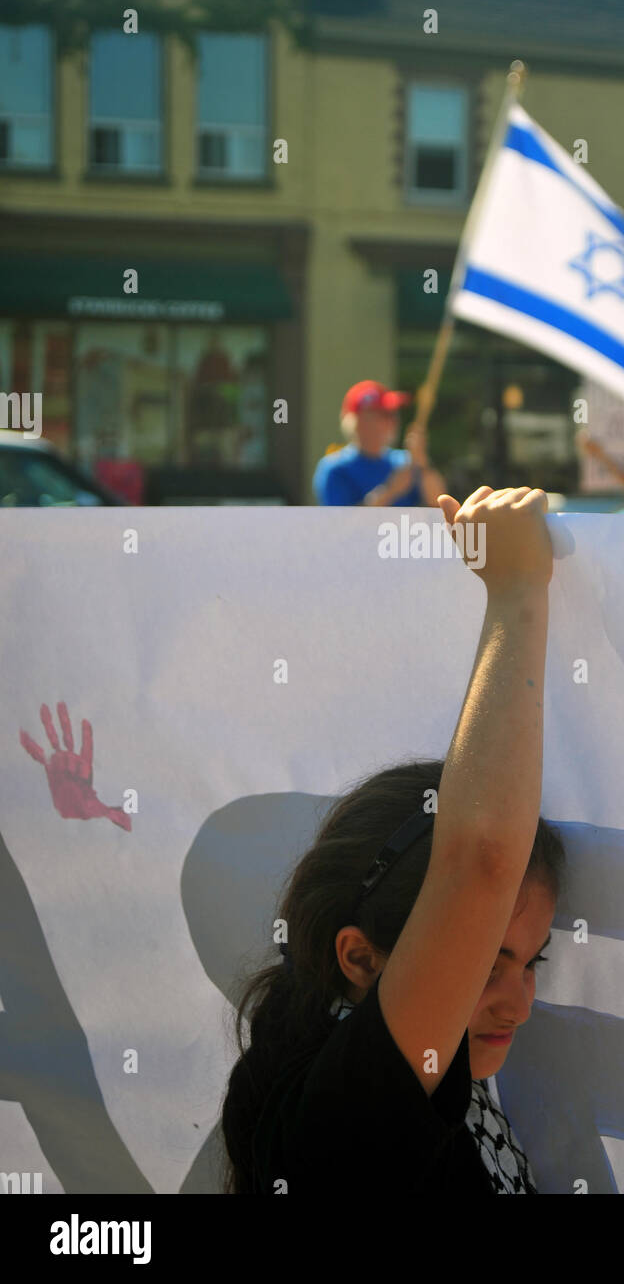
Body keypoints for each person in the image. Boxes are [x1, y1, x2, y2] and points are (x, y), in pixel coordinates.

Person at [220, 486, 563, 1195]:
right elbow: (480, 862)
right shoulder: (347, 1113)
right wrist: (516, 591)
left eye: (532, 961)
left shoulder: (399, 1073)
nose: (520, 1001)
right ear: (359, 957)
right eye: (482, 961)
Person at [313, 380, 447, 508]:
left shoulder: (406, 461)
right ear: (357, 421)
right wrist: (390, 491)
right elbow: (341, 524)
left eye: (393, 413)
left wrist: (422, 461)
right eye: (383, 414)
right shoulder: (335, 469)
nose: (393, 421)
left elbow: (439, 504)